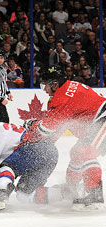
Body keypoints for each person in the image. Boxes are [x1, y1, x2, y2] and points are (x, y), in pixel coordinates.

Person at [19, 65, 106, 211]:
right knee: (77, 153)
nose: (44, 89)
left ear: (55, 84)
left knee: (85, 152)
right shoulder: (67, 90)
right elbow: (58, 127)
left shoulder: (62, 97)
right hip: (97, 123)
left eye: (45, 85)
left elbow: (46, 128)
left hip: (102, 121)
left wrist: (31, 125)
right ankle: (71, 188)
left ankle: (95, 195)